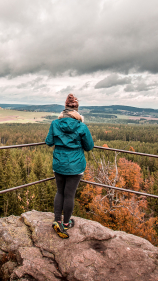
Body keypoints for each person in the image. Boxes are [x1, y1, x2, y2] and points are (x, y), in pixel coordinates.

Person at [45, 93, 94, 238]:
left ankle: (56, 220)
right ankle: (66, 223)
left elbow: (49, 142)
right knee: (69, 195)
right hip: (75, 166)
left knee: (60, 192)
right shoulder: (81, 127)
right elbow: (89, 146)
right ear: (77, 111)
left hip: (59, 164)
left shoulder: (55, 123)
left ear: (64, 109)